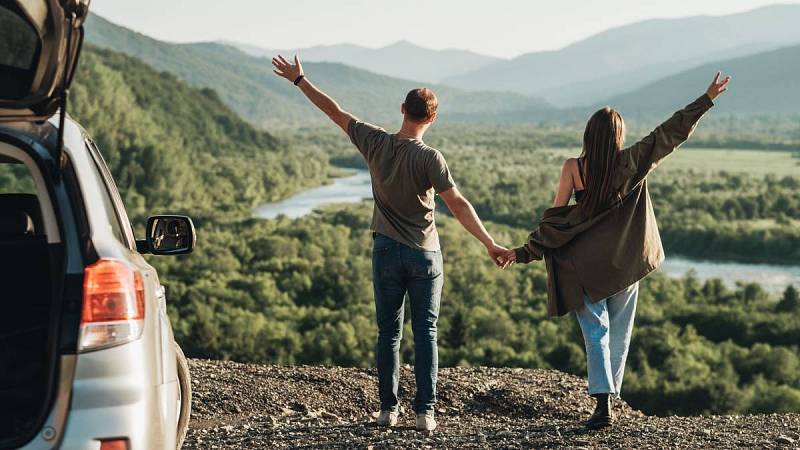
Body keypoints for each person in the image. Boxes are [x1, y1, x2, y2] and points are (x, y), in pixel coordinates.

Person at [272, 54, 511, 432]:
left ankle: (388, 409)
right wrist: (489, 242)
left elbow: (335, 111)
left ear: (402, 109)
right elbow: (458, 204)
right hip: (424, 254)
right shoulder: (431, 157)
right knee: (426, 333)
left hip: (385, 251)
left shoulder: (375, 142)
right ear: (431, 119)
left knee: (389, 333)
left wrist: (300, 80)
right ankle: (425, 413)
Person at [503, 72, 732, 429]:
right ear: (618, 136)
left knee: (596, 333)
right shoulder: (632, 162)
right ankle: (609, 401)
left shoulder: (573, 169)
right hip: (625, 265)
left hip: (586, 269)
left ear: (588, 137)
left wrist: (523, 252)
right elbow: (670, 133)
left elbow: (555, 222)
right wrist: (706, 99)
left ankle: (602, 403)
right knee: (620, 336)